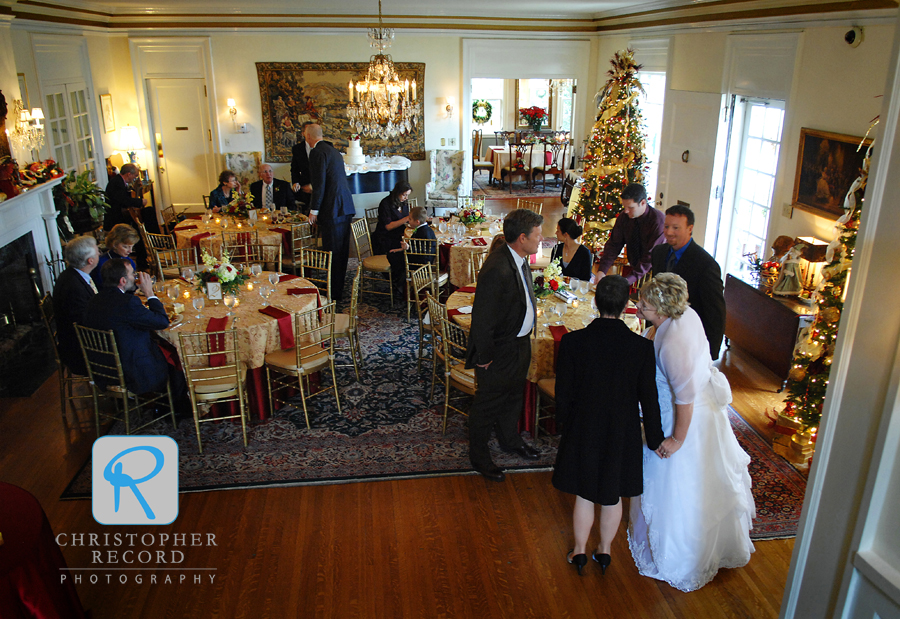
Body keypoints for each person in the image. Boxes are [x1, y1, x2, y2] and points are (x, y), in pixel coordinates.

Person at [628, 273, 755, 592]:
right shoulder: (685, 313)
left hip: (684, 419)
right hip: (693, 407)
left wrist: (675, 440)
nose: (640, 306)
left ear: (660, 307)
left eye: (644, 303)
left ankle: (681, 554)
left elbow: (684, 402)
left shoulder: (672, 345)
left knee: (678, 486)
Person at [552, 275, 663, 575]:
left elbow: (563, 392)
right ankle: (604, 550)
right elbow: (648, 399)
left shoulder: (573, 342)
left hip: (584, 427)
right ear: (627, 305)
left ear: (595, 301)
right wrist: (655, 439)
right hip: (621, 431)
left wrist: (565, 424)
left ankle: (578, 551)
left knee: (585, 493)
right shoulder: (641, 348)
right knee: (612, 495)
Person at [464, 208, 544, 482]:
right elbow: (482, 318)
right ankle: (479, 456)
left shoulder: (520, 259)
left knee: (513, 397)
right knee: (487, 404)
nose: (541, 239)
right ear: (522, 238)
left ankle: (510, 441)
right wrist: (484, 357)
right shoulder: (497, 267)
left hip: (519, 345)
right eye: (537, 235)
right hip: (499, 351)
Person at [650, 204, 726, 360]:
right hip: (659, 334)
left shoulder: (706, 265)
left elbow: (715, 313)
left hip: (687, 340)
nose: (669, 232)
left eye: (676, 228)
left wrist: (710, 355)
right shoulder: (659, 253)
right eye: (667, 226)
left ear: (690, 228)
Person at [306, 124, 356, 302]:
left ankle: (333, 292)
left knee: (332, 251)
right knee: (341, 251)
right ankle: (338, 288)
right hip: (345, 207)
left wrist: (313, 210)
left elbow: (319, 184)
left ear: (308, 136)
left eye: (305, 135)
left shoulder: (317, 152)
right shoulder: (333, 151)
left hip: (332, 209)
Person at [594, 183, 665, 284]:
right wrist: (602, 270)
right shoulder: (624, 217)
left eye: (631, 207)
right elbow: (614, 244)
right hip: (634, 267)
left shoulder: (658, 221)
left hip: (655, 274)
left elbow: (650, 257)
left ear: (643, 203)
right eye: (624, 207)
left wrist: (628, 280)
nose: (626, 211)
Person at [53, 235, 100, 375]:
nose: (99, 253)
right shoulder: (73, 287)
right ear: (90, 261)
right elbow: (84, 324)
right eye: (97, 251)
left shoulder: (72, 275)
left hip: (78, 343)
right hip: (81, 353)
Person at [374, 181, 413, 295]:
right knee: (404, 254)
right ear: (398, 192)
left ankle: (404, 282)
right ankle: (399, 284)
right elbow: (388, 226)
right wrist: (406, 219)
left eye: (407, 195)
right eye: (404, 195)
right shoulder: (385, 204)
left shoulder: (403, 203)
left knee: (411, 248)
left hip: (398, 235)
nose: (406, 198)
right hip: (385, 238)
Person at [91, 224, 139, 289]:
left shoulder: (130, 261)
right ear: (114, 244)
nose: (130, 251)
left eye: (132, 247)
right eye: (125, 247)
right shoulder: (101, 263)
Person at [104, 163, 146, 231]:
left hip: (120, 214)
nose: (134, 178)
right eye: (135, 176)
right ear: (129, 174)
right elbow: (124, 200)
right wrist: (140, 202)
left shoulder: (119, 180)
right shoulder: (117, 183)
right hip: (115, 219)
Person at [290, 121, 318, 213]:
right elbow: (294, 168)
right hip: (305, 185)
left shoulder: (325, 145)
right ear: (303, 133)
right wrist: (295, 182)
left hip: (321, 185)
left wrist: (315, 186)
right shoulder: (297, 149)